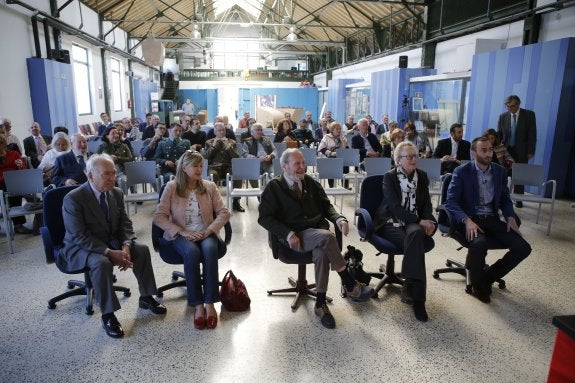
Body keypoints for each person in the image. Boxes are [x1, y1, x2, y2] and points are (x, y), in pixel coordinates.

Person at [258, 149, 374, 329]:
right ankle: (349, 283)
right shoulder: (274, 187)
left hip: (317, 232)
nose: (302, 167)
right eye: (297, 163)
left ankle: (320, 304)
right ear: (284, 166)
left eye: (303, 162)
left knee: (322, 252)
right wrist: (287, 233)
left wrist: (339, 218)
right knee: (328, 237)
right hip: (294, 236)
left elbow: (327, 206)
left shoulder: (309, 182)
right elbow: (264, 217)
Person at [58, 154, 166, 338]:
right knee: (102, 263)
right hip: (80, 248)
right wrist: (109, 252)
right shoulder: (74, 198)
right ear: (90, 176)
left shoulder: (116, 192)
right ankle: (108, 315)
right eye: (106, 174)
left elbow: (125, 224)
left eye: (113, 173)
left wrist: (125, 246)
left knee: (141, 249)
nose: (111, 178)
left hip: (111, 241)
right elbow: (79, 236)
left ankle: (146, 297)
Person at [444, 136, 531, 304]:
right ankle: (478, 287)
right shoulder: (462, 171)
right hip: (470, 218)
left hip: (491, 218)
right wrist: (467, 220)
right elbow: (451, 202)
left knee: (523, 248)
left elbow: (505, 199)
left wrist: (510, 217)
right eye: (484, 150)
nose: (489, 153)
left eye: (490, 149)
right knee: (479, 244)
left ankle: (487, 278)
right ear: (473, 153)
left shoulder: (499, 172)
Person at [153, 151, 230, 330]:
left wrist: (209, 231)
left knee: (210, 250)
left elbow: (224, 212)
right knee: (192, 252)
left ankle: (210, 304)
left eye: (201, 165)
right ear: (184, 168)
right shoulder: (171, 187)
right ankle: (197, 305)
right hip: (180, 234)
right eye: (195, 165)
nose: (199, 169)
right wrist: (181, 232)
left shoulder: (209, 186)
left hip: (205, 232)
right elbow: (159, 217)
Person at [372, 141, 437, 321]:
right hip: (391, 221)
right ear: (398, 159)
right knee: (415, 244)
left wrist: (428, 220)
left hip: (413, 220)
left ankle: (412, 288)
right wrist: (419, 220)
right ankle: (418, 299)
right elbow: (393, 207)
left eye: (415, 156)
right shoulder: (390, 177)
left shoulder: (422, 176)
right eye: (409, 156)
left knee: (415, 234)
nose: (413, 159)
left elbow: (426, 204)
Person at [496, 95, 537, 208]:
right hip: (506, 150)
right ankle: (502, 197)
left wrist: (531, 150)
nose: (510, 108)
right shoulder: (503, 116)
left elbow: (532, 134)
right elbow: (499, 134)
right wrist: (496, 148)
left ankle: (519, 199)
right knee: (503, 174)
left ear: (518, 105)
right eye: (508, 106)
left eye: (512, 106)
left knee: (519, 174)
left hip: (522, 150)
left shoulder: (529, 115)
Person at [203, 122, 244, 212]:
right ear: (215, 132)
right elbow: (205, 157)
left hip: (227, 166)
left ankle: (236, 202)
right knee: (212, 176)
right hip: (214, 167)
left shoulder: (232, 142)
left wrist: (228, 146)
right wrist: (213, 146)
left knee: (237, 173)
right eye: (219, 130)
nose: (221, 132)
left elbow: (236, 157)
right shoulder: (209, 142)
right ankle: (213, 203)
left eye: (223, 130)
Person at [0, 134, 32, 234]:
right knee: (11, 186)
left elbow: (24, 170)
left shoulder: (14, 154)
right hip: (1, 183)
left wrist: (20, 165)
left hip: (15, 181)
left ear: (4, 143)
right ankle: (18, 224)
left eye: (0, 142)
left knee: (14, 186)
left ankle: (18, 225)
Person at [317, 121, 350, 188]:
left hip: (341, 158)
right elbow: (321, 149)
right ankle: (331, 186)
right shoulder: (327, 137)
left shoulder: (343, 137)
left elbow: (347, 150)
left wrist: (343, 141)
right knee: (331, 161)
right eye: (337, 129)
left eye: (340, 129)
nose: (339, 130)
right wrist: (331, 153)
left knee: (346, 163)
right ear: (332, 130)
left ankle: (345, 186)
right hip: (330, 157)